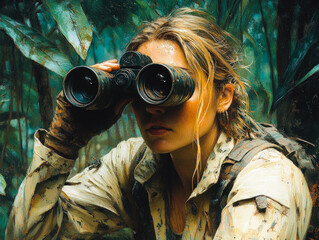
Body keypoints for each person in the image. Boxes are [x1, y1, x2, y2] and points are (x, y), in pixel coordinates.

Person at [6, 7, 312, 240]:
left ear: (224, 96)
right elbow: (29, 234)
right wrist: (63, 141)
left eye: (169, 86)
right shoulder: (137, 166)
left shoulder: (268, 181)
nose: (153, 108)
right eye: (144, 87)